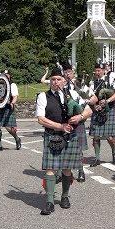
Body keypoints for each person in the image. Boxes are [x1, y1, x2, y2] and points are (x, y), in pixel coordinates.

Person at [36, 66, 92, 215]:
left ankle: (65, 196)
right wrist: (60, 127)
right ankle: (49, 202)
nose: (55, 82)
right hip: (52, 135)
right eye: (53, 79)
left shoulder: (73, 93)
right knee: (50, 169)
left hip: (70, 136)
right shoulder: (43, 96)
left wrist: (80, 117)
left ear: (64, 81)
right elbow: (41, 119)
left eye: (58, 79)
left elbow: (89, 109)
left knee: (67, 168)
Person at [87, 62, 115, 166]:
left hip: (108, 110)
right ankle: (97, 158)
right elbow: (92, 97)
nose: (97, 72)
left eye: (99, 70)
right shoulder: (92, 83)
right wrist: (94, 106)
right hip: (97, 111)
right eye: (96, 70)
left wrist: (108, 101)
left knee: (109, 137)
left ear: (103, 71)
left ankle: (114, 151)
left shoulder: (110, 79)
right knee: (96, 136)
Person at [61, 61, 88, 181]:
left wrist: (81, 113)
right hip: (64, 120)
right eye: (65, 72)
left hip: (78, 119)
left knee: (79, 149)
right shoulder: (60, 84)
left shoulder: (79, 84)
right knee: (61, 147)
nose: (67, 74)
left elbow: (90, 98)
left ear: (73, 73)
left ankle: (81, 170)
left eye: (69, 72)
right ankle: (62, 173)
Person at [0, 70, 22, 150]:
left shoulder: (12, 85)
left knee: (9, 128)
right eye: (4, 74)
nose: (6, 76)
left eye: (7, 75)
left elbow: (15, 96)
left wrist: (12, 103)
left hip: (8, 107)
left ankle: (17, 138)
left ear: (10, 76)